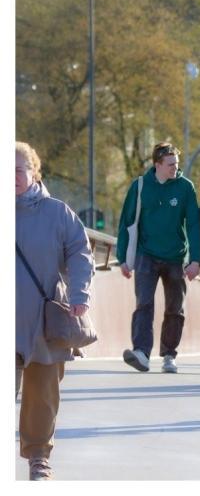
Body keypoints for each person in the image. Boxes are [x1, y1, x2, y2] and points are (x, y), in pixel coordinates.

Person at [15, 142, 94, 480]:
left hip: (43, 321)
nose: (11, 178)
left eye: (18, 171)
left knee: (42, 394)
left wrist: (80, 294)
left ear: (34, 172)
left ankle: (38, 458)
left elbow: (80, 253)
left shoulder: (57, 213)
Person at [117, 142, 200, 374]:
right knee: (144, 303)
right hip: (146, 255)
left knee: (175, 307)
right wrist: (123, 257)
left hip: (175, 256)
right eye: (171, 164)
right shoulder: (141, 186)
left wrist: (195, 259)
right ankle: (142, 352)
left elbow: (194, 224)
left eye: (176, 163)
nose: (176, 167)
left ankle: (169, 355)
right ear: (157, 165)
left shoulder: (185, 187)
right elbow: (127, 222)